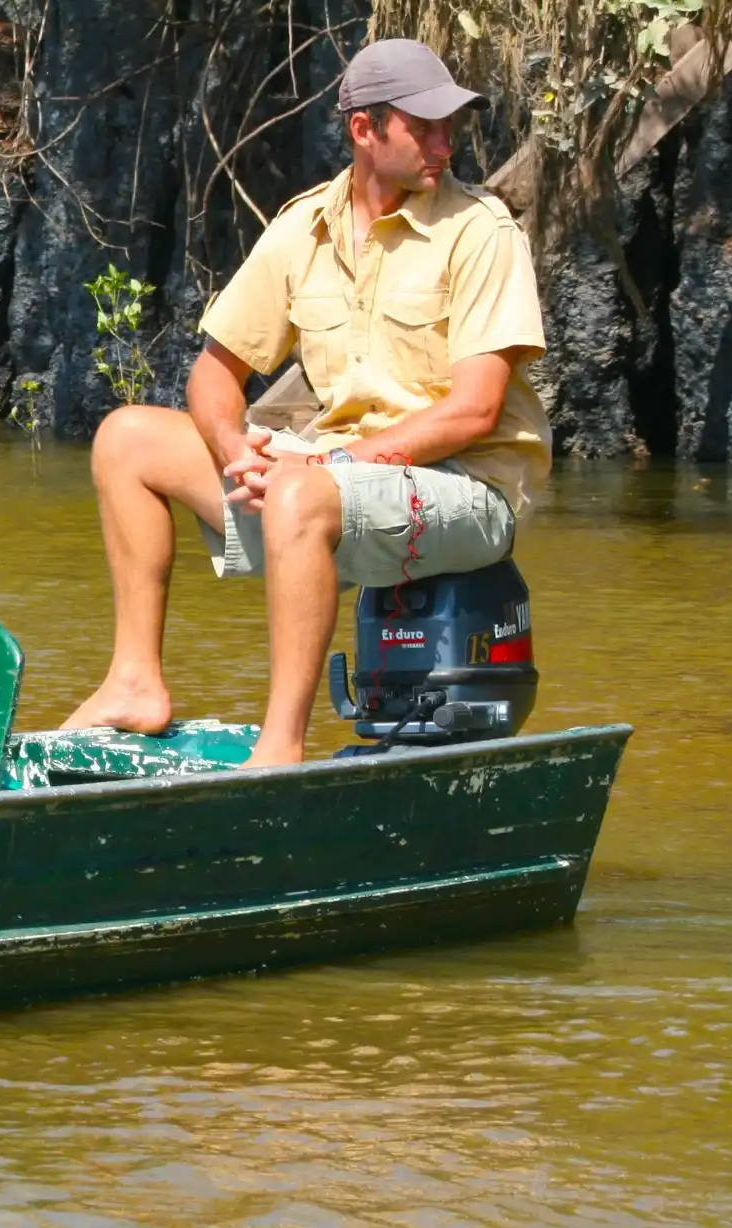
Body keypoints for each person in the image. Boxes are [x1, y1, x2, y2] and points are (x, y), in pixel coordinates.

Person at [59, 37, 549, 768]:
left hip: (467, 490)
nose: (445, 143)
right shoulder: (303, 227)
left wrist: (329, 464)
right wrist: (237, 451)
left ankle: (281, 745)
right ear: (364, 129)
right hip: (330, 478)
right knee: (128, 437)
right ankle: (134, 682)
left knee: (297, 495)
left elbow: (475, 412)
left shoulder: (481, 232)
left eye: (452, 125)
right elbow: (213, 376)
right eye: (425, 126)